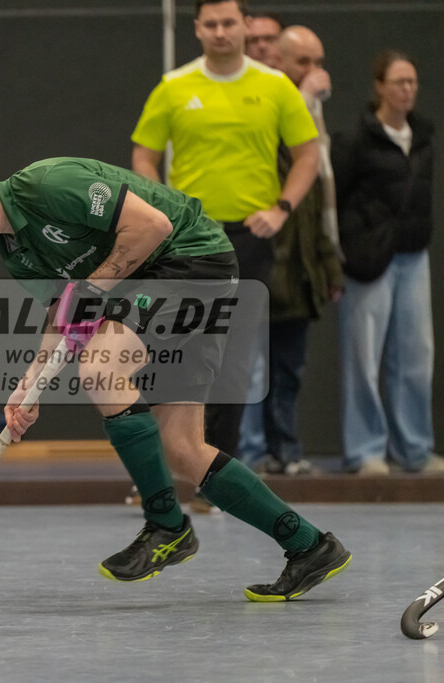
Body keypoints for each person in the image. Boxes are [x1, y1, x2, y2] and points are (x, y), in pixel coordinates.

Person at [0, 140, 351, 602]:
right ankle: (310, 546)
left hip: (192, 262)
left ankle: (165, 526)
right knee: (182, 449)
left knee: (99, 367)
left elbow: (152, 226)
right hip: (155, 286)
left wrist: (93, 288)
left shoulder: (47, 184)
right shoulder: (13, 250)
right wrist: (29, 386)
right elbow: (62, 310)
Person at [130, 0, 320, 467]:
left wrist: (280, 209)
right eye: (210, 24)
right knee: (169, 349)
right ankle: (160, 468)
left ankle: (217, 473)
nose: (220, 31)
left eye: (228, 22)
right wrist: (165, 214)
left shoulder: (274, 86)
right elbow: (143, 157)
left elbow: (308, 155)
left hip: (250, 240)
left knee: (233, 359)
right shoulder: (174, 87)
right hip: (188, 241)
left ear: (246, 26)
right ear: (197, 29)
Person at [238, 26, 344, 474]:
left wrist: (328, 264)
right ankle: (243, 457)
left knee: (289, 369)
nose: (315, 72)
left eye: (320, 62)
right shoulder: (266, 107)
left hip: (298, 269)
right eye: (305, 62)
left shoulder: (309, 115)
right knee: (247, 369)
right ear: (280, 62)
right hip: (258, 260)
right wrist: (302, 97)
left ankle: (287, 452)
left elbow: (318, 199)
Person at [332, 51, 440, 475]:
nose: (407, 90)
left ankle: (414, 448)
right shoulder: (357, 139)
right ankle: (365, 450)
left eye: (412, 82)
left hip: (413, 256)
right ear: (380, 86)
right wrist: (352, 245)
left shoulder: (425, 136)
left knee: (415, 355)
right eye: (399, 82)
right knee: (363, 357)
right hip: (369, 261)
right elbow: (335, 199)